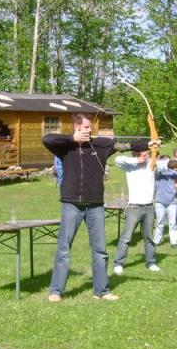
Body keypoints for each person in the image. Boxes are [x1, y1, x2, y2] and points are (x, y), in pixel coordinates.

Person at [43, 112, 125, 302]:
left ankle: (101, 291)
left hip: (95, 205)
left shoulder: (98, 146)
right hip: (71, 204)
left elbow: (124, 145)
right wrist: (71, 139)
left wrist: (149, 144)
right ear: (77, 127)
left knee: (100, 249)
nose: (90, 130)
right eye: (86, 127)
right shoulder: (65, 147)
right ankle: (56, 291)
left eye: (91, 127)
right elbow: (46, 139)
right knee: (64, 248)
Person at [112, 139, 162, 275]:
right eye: (144, 153)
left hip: (149, 206)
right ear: (136, 154)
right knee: (127, 237)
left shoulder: (152, 164)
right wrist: (137, 160)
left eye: (147, 153)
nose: (146, 155)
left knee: (149, 237)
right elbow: (118, 159)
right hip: (134, 206)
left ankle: (151, 262)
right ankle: (118, 263)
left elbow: (166, 163)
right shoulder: (130, 165)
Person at [153, 155, 177, 249]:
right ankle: (156, 241)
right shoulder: (157, 173)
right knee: (160, 222)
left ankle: (173, 242)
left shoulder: (173, 173)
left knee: (172, 223)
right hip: (159, 201)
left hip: (171, 201)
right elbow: (159, 168)